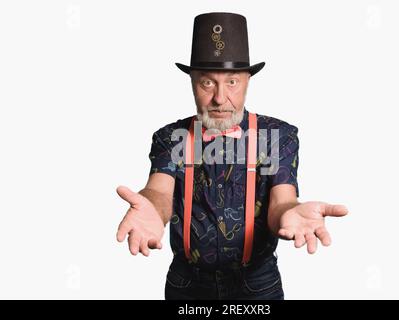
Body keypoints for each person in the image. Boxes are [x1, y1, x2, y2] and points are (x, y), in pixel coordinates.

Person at [116, 12, 348, 300]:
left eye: (232, 82)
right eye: (207, 83)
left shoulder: (277, 135)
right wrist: (151, 207)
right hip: (187, 285)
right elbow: (159, 190)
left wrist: (291, 213)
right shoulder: (170, 136)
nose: (220, 98)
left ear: (247, 80)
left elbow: (282, 201)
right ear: (192, 82)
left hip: (256, 285)